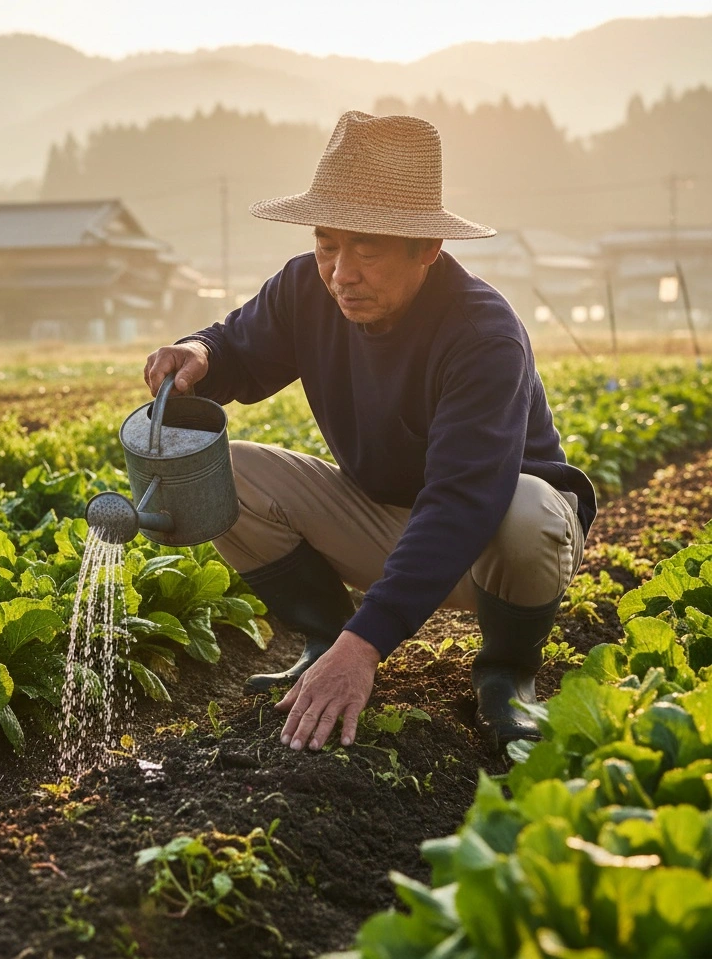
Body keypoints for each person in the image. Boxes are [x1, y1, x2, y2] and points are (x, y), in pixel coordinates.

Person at [144, 111, 595, 754]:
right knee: (230, 471)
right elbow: (237, 347)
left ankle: (507, 675)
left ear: (428, 250)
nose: (341, 272)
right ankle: (325, 639)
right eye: (328, 244)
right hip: (384, 517)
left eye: (368, 248)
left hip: (490, 546)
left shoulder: (481, 335)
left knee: (528, 509)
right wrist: (198, 353)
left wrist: (372, 645)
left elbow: (465, 500)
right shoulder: (308, 287)